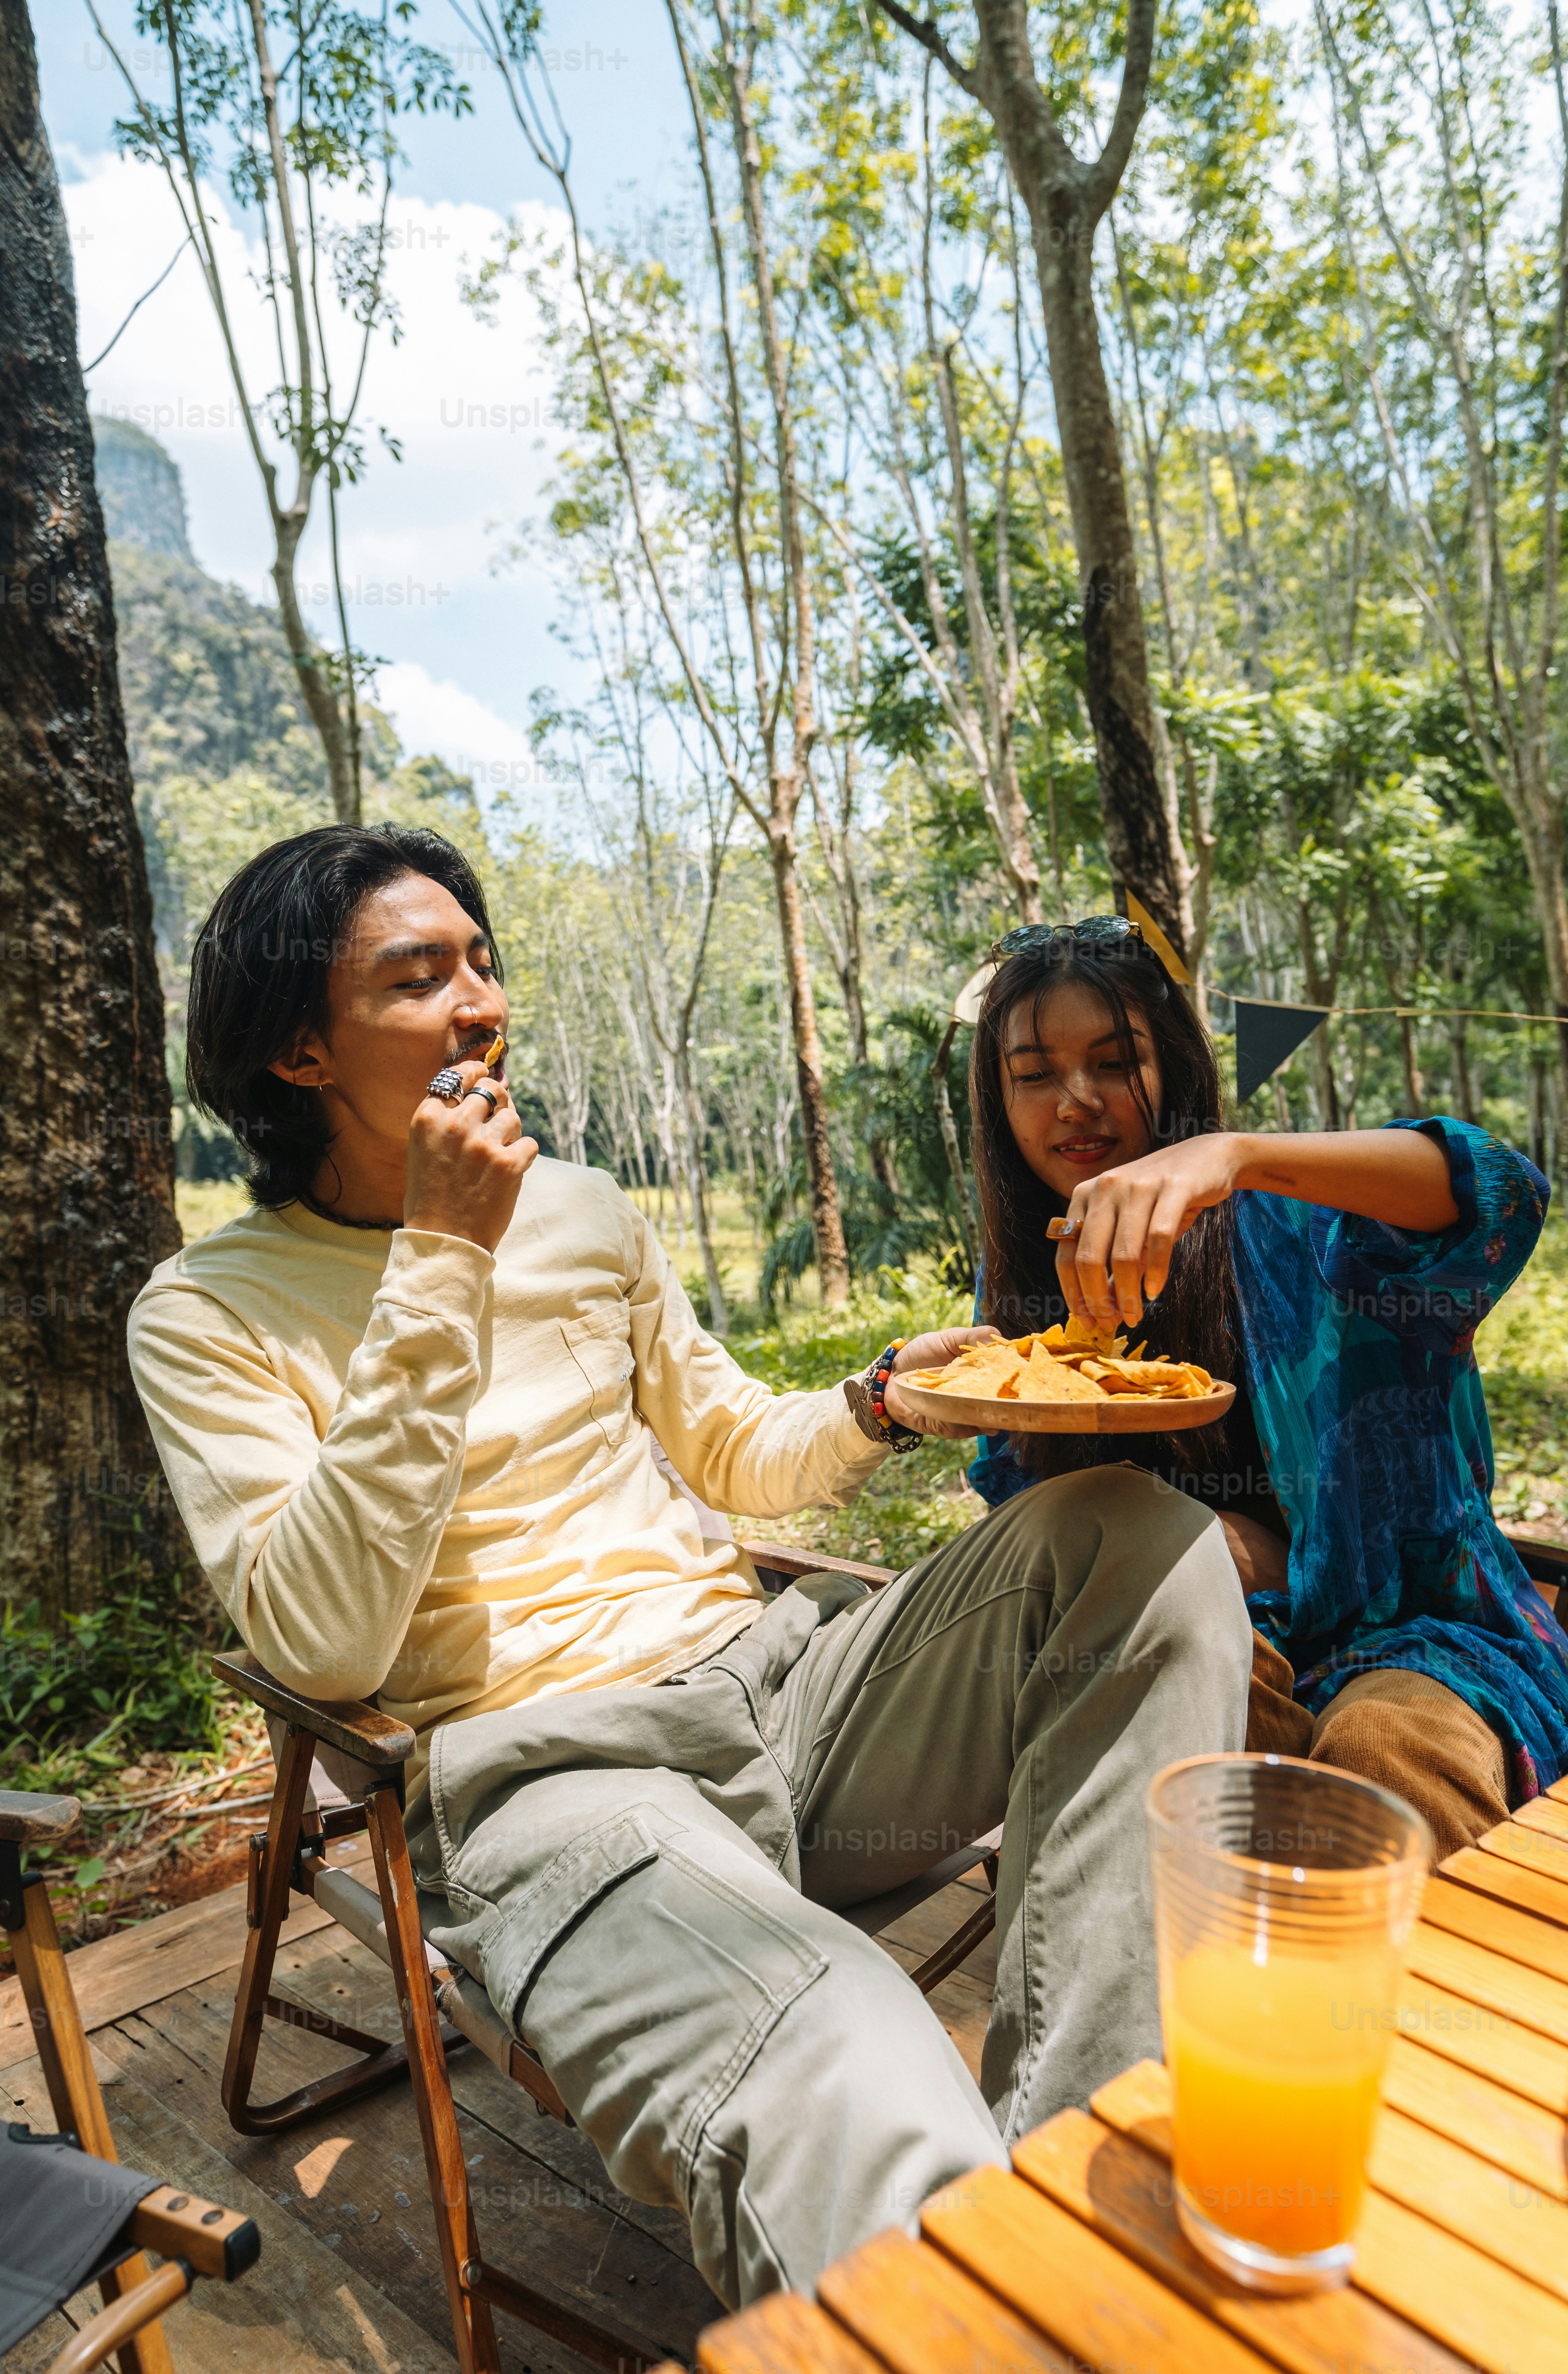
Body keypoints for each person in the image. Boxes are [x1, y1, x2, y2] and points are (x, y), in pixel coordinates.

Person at [127, 824, 1251, 2309]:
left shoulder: (585, 1211)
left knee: (1131, 1529)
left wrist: (875, 1397)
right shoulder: (210, 1308)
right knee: (842, 2045)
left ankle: (1074, 2192)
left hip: (784, 1696)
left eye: (481, 960)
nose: (481, 1004)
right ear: (297, 1053)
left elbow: (728, 1447)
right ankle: (983, 2310)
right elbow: (323, 1643)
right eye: (418, 977)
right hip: (557, 1781)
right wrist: (444, 1257)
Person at [967, 916, 1568, 1859]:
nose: (1075, 1100)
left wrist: (1236, 1156)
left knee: (1385, 1767)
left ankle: (1394, 1998)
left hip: (1417, 1629)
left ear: (1170, 1063)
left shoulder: (1304, 1216)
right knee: (1174, 1761)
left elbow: (1504, 1193)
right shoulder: (1028, 1282)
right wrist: (1203, 1543)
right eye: (1035, 1073)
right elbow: (1025, 1499)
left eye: (1112, 1059)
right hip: (1199, 1631)